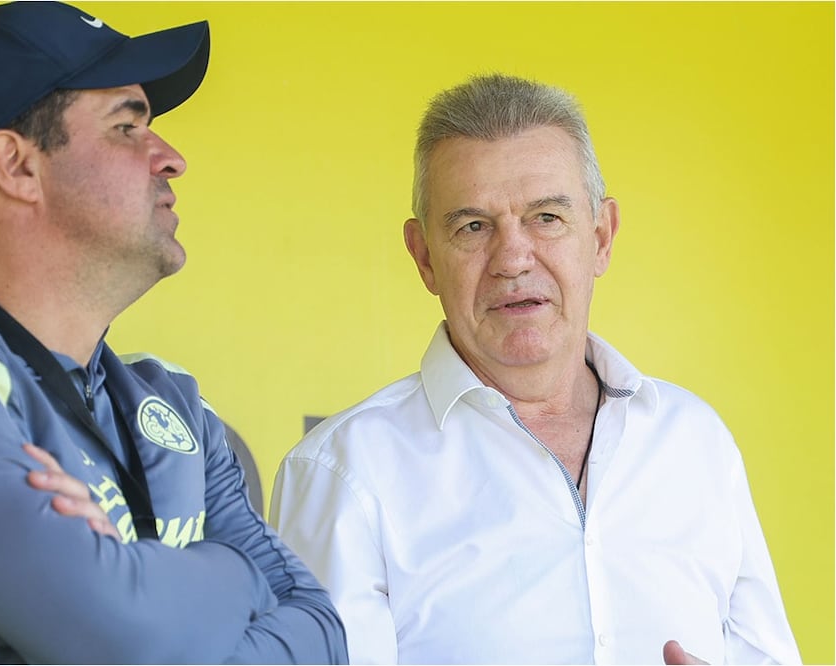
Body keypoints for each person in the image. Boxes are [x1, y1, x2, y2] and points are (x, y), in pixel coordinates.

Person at [0, 2, 347, 663]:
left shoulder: (172, 404)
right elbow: (125, 639)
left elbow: (322, 637)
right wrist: (237, 572)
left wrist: (123, 579)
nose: (171, 159)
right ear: (16, 166)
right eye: (128, 127)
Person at [270, 74, 799, 665]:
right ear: (424, 258)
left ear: (601, 237)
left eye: (547, 217)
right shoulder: (343, 473)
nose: (513, 258)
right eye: (472, 227)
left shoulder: (695, 440)